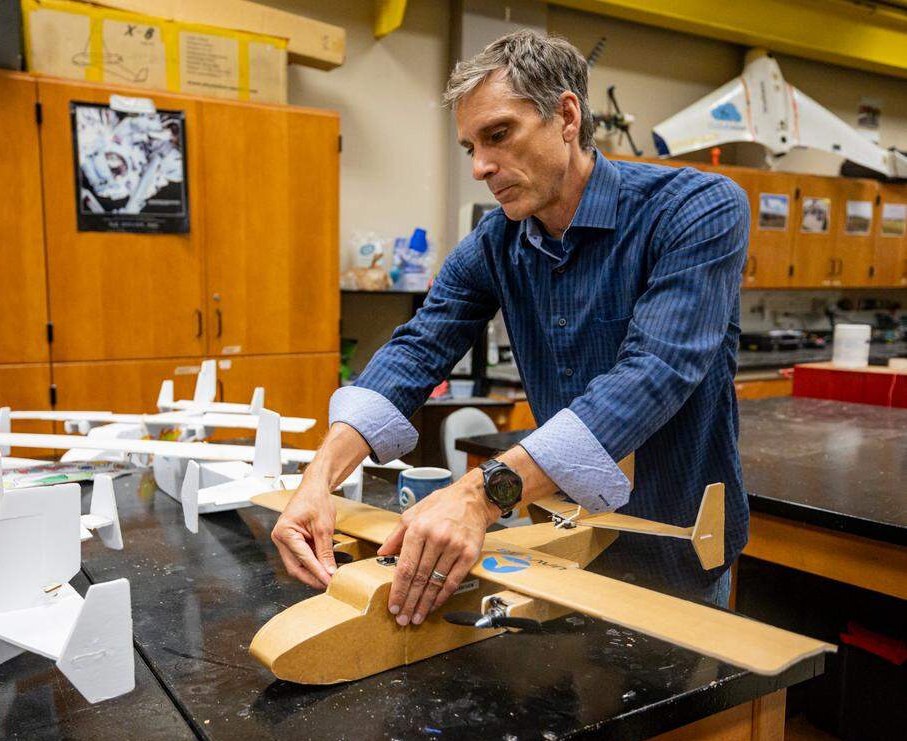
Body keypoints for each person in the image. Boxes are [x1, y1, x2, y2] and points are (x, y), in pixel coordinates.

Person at [271, 29, 750, 626]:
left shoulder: (695, 208)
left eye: (498, 135)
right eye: (470, 145)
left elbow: (653, 375)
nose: (479, 167)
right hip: (558, 548)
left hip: (676, 546)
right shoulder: (496, 243)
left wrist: (476, 496)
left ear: (566, 115)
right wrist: (318, 480)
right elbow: (419, 346)